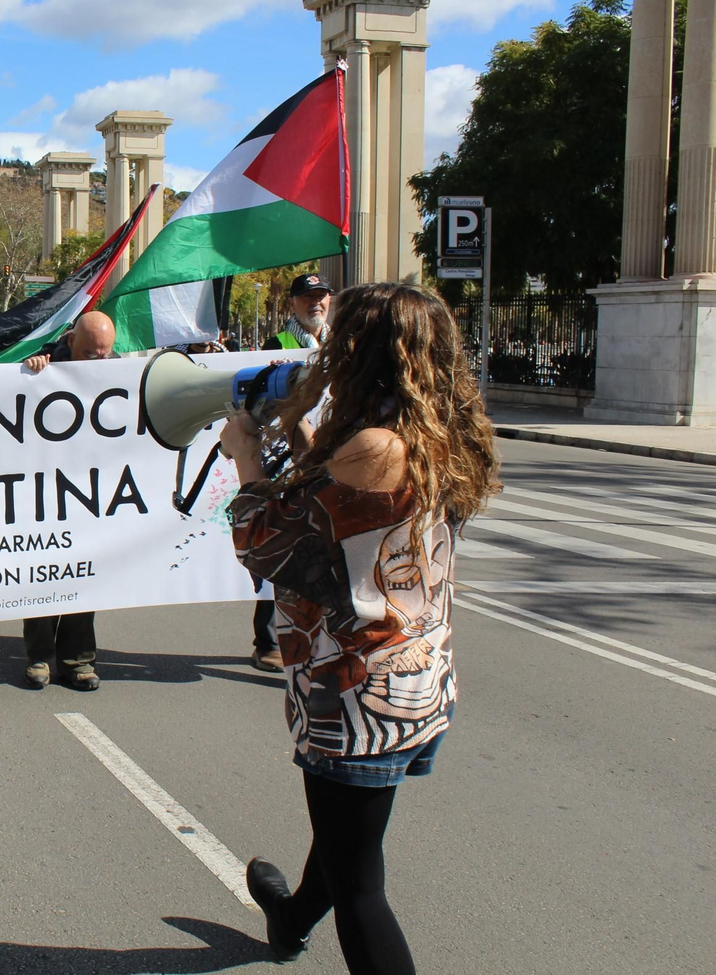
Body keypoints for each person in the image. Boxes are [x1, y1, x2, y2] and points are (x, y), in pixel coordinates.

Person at [220, 283, 498, 974]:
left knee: (362, 889)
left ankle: (304, 914)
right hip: (413, 675)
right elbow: (358, 515)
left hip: (356, 695)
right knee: (350, 836)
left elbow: (265, 542)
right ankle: (288, 917)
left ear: (365, 350)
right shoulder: (429, 427)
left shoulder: (374, 444)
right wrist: (296, 429)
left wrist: (243, 450)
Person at [19, 311, 117, 690]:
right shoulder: (42, 368)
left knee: (82, 575)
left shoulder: (117, 371)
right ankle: (40, 657)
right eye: (91, 353)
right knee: (43, 573)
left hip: (89, 492)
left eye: (105, 354)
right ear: (71, 340)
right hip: (43, 490)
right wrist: (32, 370)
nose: (99, 361)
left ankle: (77, 660)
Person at [247, 273, 334, 672]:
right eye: (307, 298)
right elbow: (256, 400)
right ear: (293, 305)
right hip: (285, 463)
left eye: (321, 297)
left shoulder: (340, 345)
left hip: (328, 461)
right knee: (278, 548)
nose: (315, 304)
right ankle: (268, 638)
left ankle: (316, 633)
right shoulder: (277, 345)